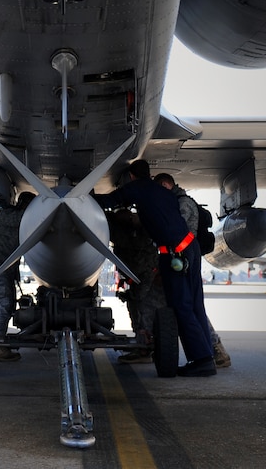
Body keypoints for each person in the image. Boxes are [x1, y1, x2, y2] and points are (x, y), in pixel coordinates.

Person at [95, 160, 216, 377]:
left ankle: (202, 360)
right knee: (195, 304)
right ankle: (207, 356)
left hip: (175, 254)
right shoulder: (162, 192)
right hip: (190, 248)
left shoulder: (137, 188)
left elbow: (110, 201)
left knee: (181, 305)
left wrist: (81, 198)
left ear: (131, 176)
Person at [153, 172, 231, 369]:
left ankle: (205, 356)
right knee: (192, 306)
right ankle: (206, 355)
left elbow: (177, 232)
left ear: (165, 184)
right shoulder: (180, 201)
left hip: (183, 260)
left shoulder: (182, 204)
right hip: (187, 258)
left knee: (185, 306)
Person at [0, 192, 36, 362]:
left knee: (7, 306)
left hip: (2, 269)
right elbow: (29, 220)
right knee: (4, 304)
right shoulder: (7, 216)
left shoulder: (15, 217)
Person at [106, 208, 164, 364]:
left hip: (147, 280)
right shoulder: (131, 232)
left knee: (144, 311)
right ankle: (142, 346)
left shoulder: (137, 234)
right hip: (139, 279)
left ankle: (144, 348)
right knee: (138, 309)